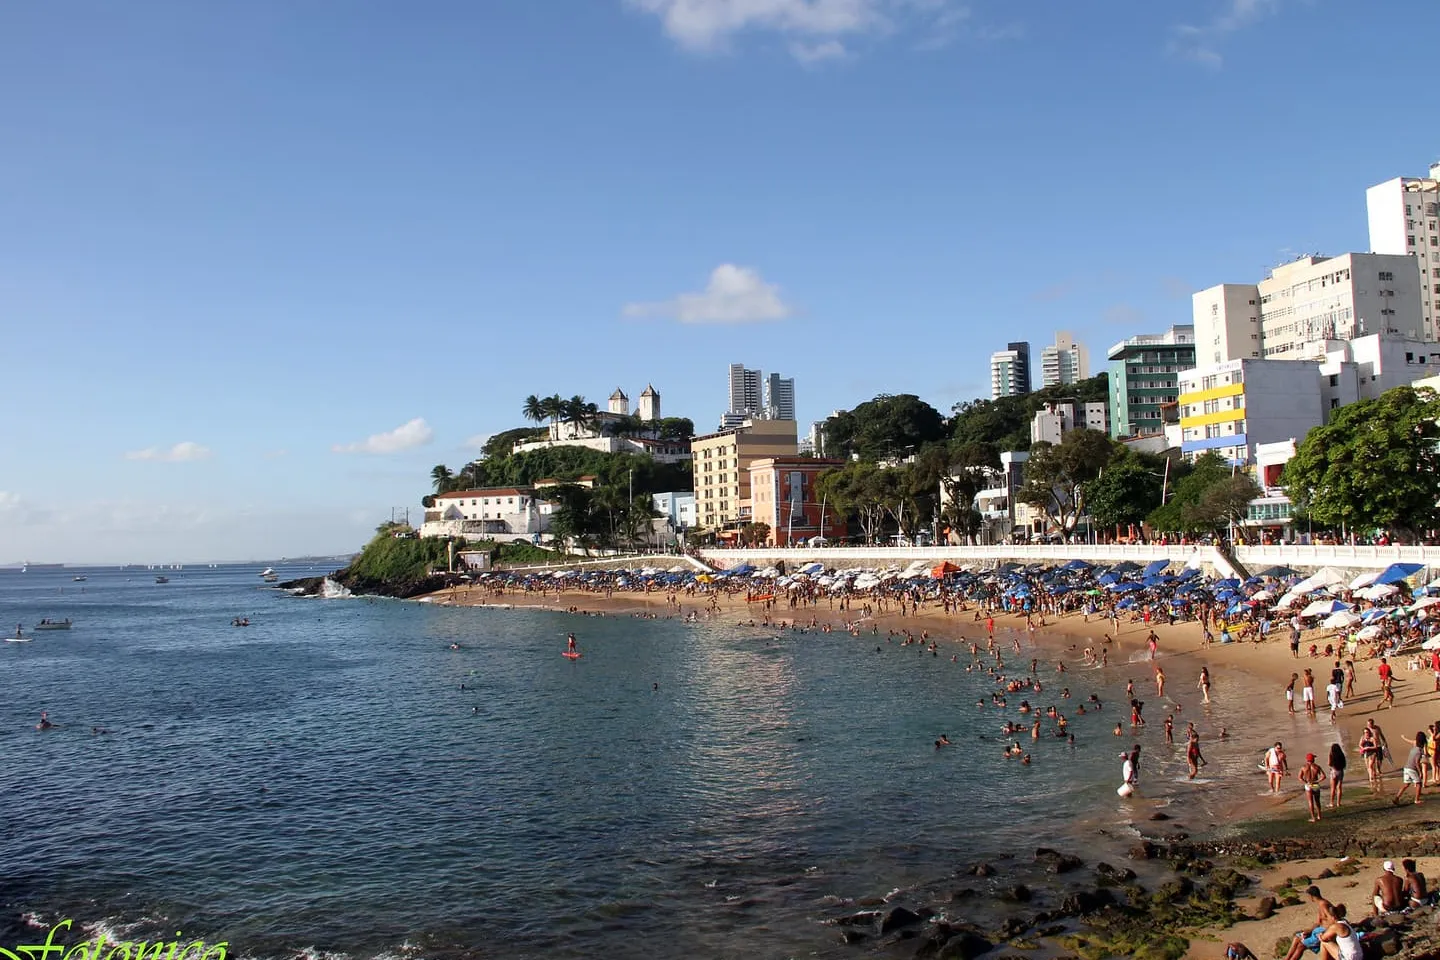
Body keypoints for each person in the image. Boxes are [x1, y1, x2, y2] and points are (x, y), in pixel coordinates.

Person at [1282, 886, 1338, 960]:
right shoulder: (1320, 904)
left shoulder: (1324, 905)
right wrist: (1309, 931)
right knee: (1297, 938)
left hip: (1322, 931)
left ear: (1311, 896)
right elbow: (1318, 922)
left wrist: (1326, 932)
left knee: (1301, 946)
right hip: (1317, 929)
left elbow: (1333, 920)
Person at [1394, 731, 1427, 806]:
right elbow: (1416, 762)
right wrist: (1420, 772)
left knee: (1406, 784)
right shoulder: (1419, 751)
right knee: (1419, 783)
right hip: (1412, 769)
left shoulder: (1414, 748)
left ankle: (1397, 798)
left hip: (1406, 768)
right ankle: (1417, 800)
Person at [1298, 753, 1327, 822]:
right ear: (1313, 759)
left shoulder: (1303, 767)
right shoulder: (1317, 766)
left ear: (1307, 759)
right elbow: (1323, 776)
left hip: (1308, 784)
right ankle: (1319, 816)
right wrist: (1317, 781)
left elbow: (1300, 777)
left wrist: (1306, 782)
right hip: (1315, 784)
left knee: (1310, 802)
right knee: (1317, 801)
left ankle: (1313, 818)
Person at [1327, 742, 1347, 810]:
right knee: (1339, 787)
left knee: (1333, 788)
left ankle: (1331, 803)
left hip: (1333, 771)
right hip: (1340, 771)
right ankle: (1338, 803)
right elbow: (1344, 764)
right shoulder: (1342, 755)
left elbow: (1329, 764)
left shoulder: (1331, 755)